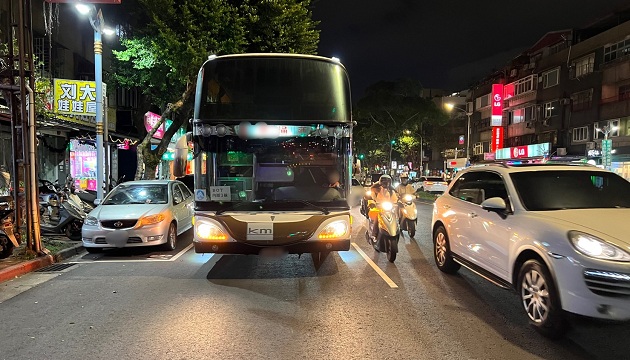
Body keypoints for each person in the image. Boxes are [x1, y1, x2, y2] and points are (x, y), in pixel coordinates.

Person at [368, 174, 398, 239]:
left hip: (388, 210)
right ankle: (374, 234)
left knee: (395, 218)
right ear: (380, 182)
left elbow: (395, 200)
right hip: (378, 209)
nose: (385, 183)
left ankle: (395, 232)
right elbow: (371, 198)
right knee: (376, 217)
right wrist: (372, 203)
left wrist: (398, 203)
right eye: (384, 181)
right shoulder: (375, 190)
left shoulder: (391, 191)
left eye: (387, 182)